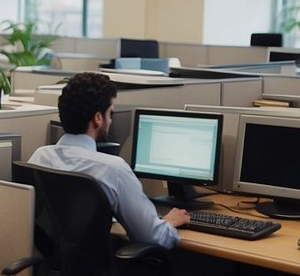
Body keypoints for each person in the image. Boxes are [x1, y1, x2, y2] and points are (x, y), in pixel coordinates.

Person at [29, 72, 187, 249]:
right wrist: (168, 222)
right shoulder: (113, 168)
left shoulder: (40, 157)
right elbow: (150, 236)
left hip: (51, 263)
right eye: (110, 113)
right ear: (98, 118)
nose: (111, 120)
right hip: (98, 270)